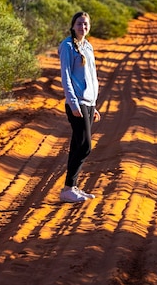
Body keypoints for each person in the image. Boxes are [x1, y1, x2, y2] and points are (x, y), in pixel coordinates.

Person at [58, 11, 101, 203]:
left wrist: (94, 104)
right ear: (73, 25)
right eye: (79, 24)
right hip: (77, 103)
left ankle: (72, 187)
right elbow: (66, 77)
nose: (82, 27)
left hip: (89, 103)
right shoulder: (67, 46)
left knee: (78, 144)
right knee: (85, 146)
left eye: (85, 24)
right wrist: (74, 103)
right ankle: (68, 187)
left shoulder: (88, 46)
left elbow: (92, 77)